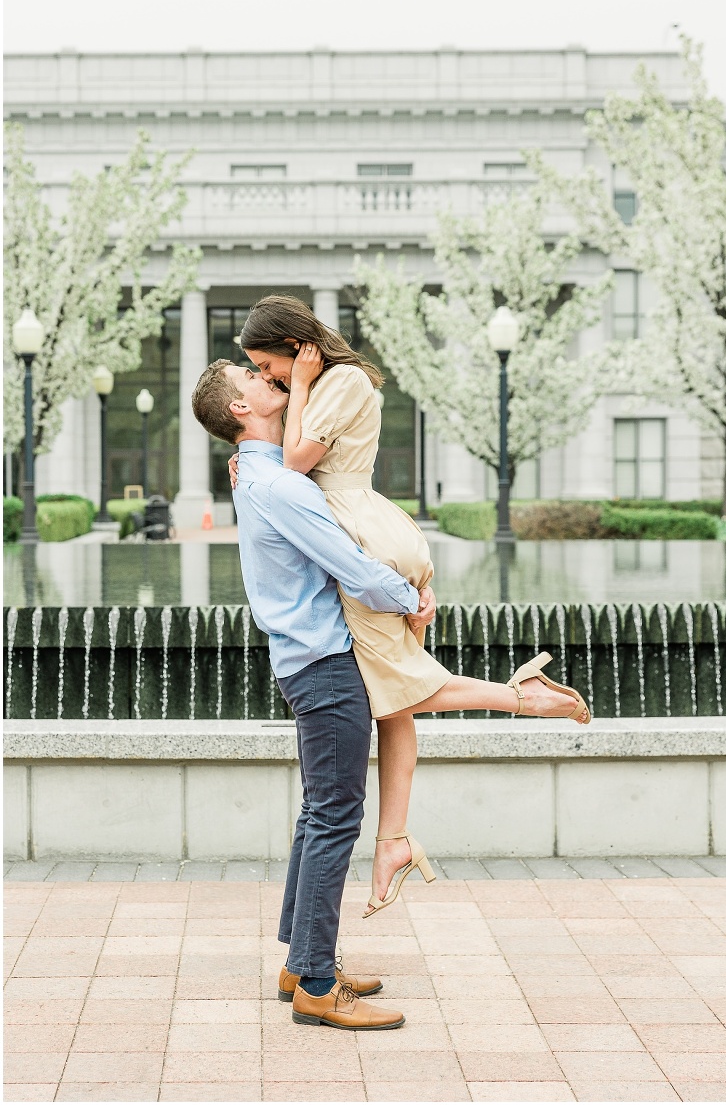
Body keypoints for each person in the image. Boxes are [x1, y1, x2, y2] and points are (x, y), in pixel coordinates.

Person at [229, 295, 590, 917]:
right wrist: (252, 458)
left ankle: (523, 697)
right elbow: (285, 466)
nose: (269, 379)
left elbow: (294, 464)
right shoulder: (326, 385)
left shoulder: (336, 381)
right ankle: (393, 840)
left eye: (268, 366)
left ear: (295, 349)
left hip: (361, 536)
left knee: (401, 688)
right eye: (259, 375)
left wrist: (286, 424)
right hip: (364, 528)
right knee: (392, 701)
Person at [192, 359, 434, 1029]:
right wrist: (410, 596)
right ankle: (318, 986)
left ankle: (301, 961)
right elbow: (352, 567)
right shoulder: (275, 484)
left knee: (318, 813)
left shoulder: (257, 475)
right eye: (250, 376)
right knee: (334, 815)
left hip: (305, 660)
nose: (259, 375)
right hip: (325, 664)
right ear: (239, 409)